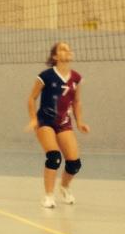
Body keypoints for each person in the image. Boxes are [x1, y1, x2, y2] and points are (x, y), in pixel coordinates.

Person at [25, 42, 88, 208]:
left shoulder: (76, 78)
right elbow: (32, 98)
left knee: (74, 164)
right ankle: (48, 195)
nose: (67, 50)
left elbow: (76, 101)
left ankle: (65, 187)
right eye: (62, 49)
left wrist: (80, 121)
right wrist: (33, 119)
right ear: (55, 56)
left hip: (64, 123)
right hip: (45, 121)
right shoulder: (46, 76)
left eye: (68, 48)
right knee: (54, 157)